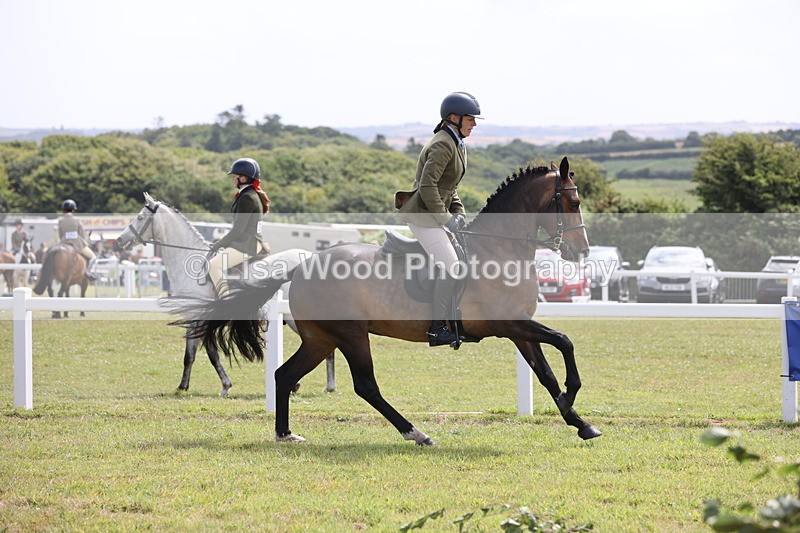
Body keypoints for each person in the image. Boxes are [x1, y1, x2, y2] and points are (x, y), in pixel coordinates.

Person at [396, 92, 481, 346]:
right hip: (423, 217)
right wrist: (446, 219)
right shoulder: (444, 143)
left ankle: (454, 321)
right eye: (470, 119)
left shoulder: (457, 143)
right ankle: (436, 328)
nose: (474, 124)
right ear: (454, 118)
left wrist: (459, 213)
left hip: (436, 214)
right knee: (452, 266)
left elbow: (449, 186)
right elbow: (427, 186)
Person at [208, 157, 271, 297]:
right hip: (248, 242)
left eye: (236, 176)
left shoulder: (247, 197)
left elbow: (238, 229)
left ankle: (225, 301)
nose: (233, 179)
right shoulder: (249, 194)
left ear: (244, 178)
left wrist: (219, 244)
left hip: (246, 245)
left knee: (213, 266)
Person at [58, 199, 96, 279]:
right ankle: (88, 271)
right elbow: (82, 235)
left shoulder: (60, 222)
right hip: (77, 244)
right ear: (73, 210)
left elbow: (60, 235)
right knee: (93, 256)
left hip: (64, 243)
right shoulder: (76, 221)